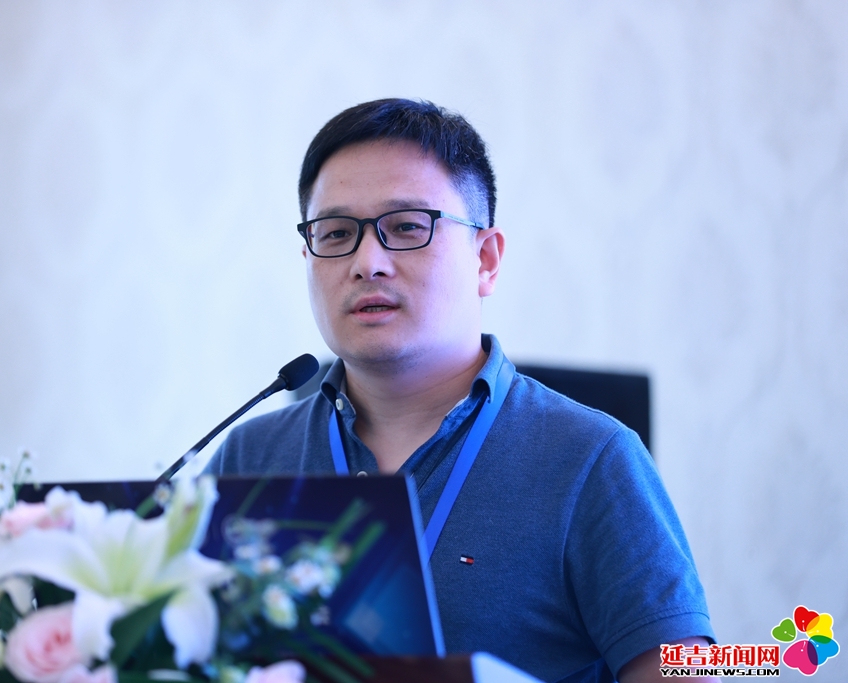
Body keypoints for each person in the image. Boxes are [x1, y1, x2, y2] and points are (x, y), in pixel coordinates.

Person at [207, 99, 716, 683]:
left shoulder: (591, 459)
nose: (367, 262)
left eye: (406, 226)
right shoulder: (248, 458)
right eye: (337, 233)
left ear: (486, 259)